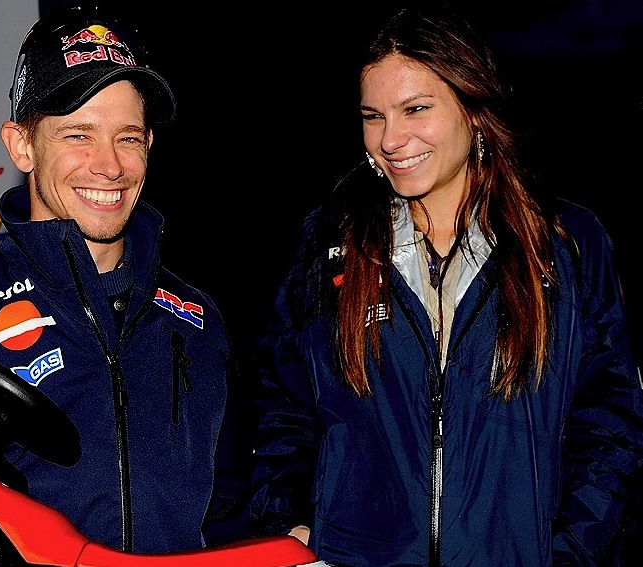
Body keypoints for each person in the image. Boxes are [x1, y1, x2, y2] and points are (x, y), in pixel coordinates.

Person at [248, 4, 643, 566]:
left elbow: (610, 423)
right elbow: (282, 406)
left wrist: (571, 552)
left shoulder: (565, 243)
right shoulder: (328, 244)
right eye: (373, 116)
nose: (391, 139)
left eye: (415, 109)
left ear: (472, 107)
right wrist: (289, 523)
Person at [0, 6, 248, 555]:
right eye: (78, 135)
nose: (108, 166)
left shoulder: (197, 318)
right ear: (22, 145)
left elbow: (231, 515)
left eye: (128, 138)